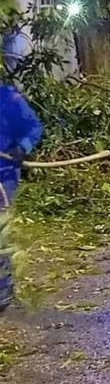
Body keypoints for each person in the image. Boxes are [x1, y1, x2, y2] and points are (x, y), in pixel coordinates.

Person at [0, 85, 43, 311]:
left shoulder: (8, 98)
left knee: (1, 237)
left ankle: (2, 295)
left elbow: (34, 127)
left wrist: (21, 149)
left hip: (3, 177)